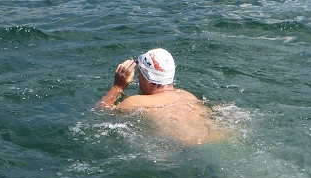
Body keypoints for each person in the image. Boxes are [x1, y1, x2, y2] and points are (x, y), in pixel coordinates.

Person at [96, 48, 225, 145]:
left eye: (140, 73)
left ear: (146, 76)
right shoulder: (188, 96)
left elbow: (100, 111)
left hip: (186, 148)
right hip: (217, 138)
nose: (138, 77)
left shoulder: (135, 102)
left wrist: (118, 86)